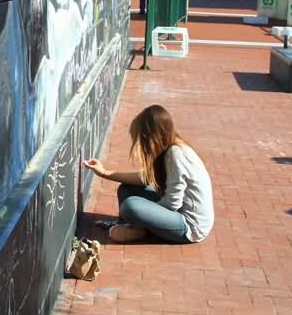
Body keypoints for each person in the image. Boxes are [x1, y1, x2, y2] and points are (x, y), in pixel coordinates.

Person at [84, 104, 214, 245]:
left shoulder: (176, 154)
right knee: (126, 188)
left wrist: (144, 215)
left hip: (189, 226)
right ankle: (135, 227)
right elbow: (145, 178)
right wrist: (104, 173)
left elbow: (172, 203)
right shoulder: (170, 148)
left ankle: (136, 229)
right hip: (175, 213)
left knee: (131, 205)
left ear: (152, 135)